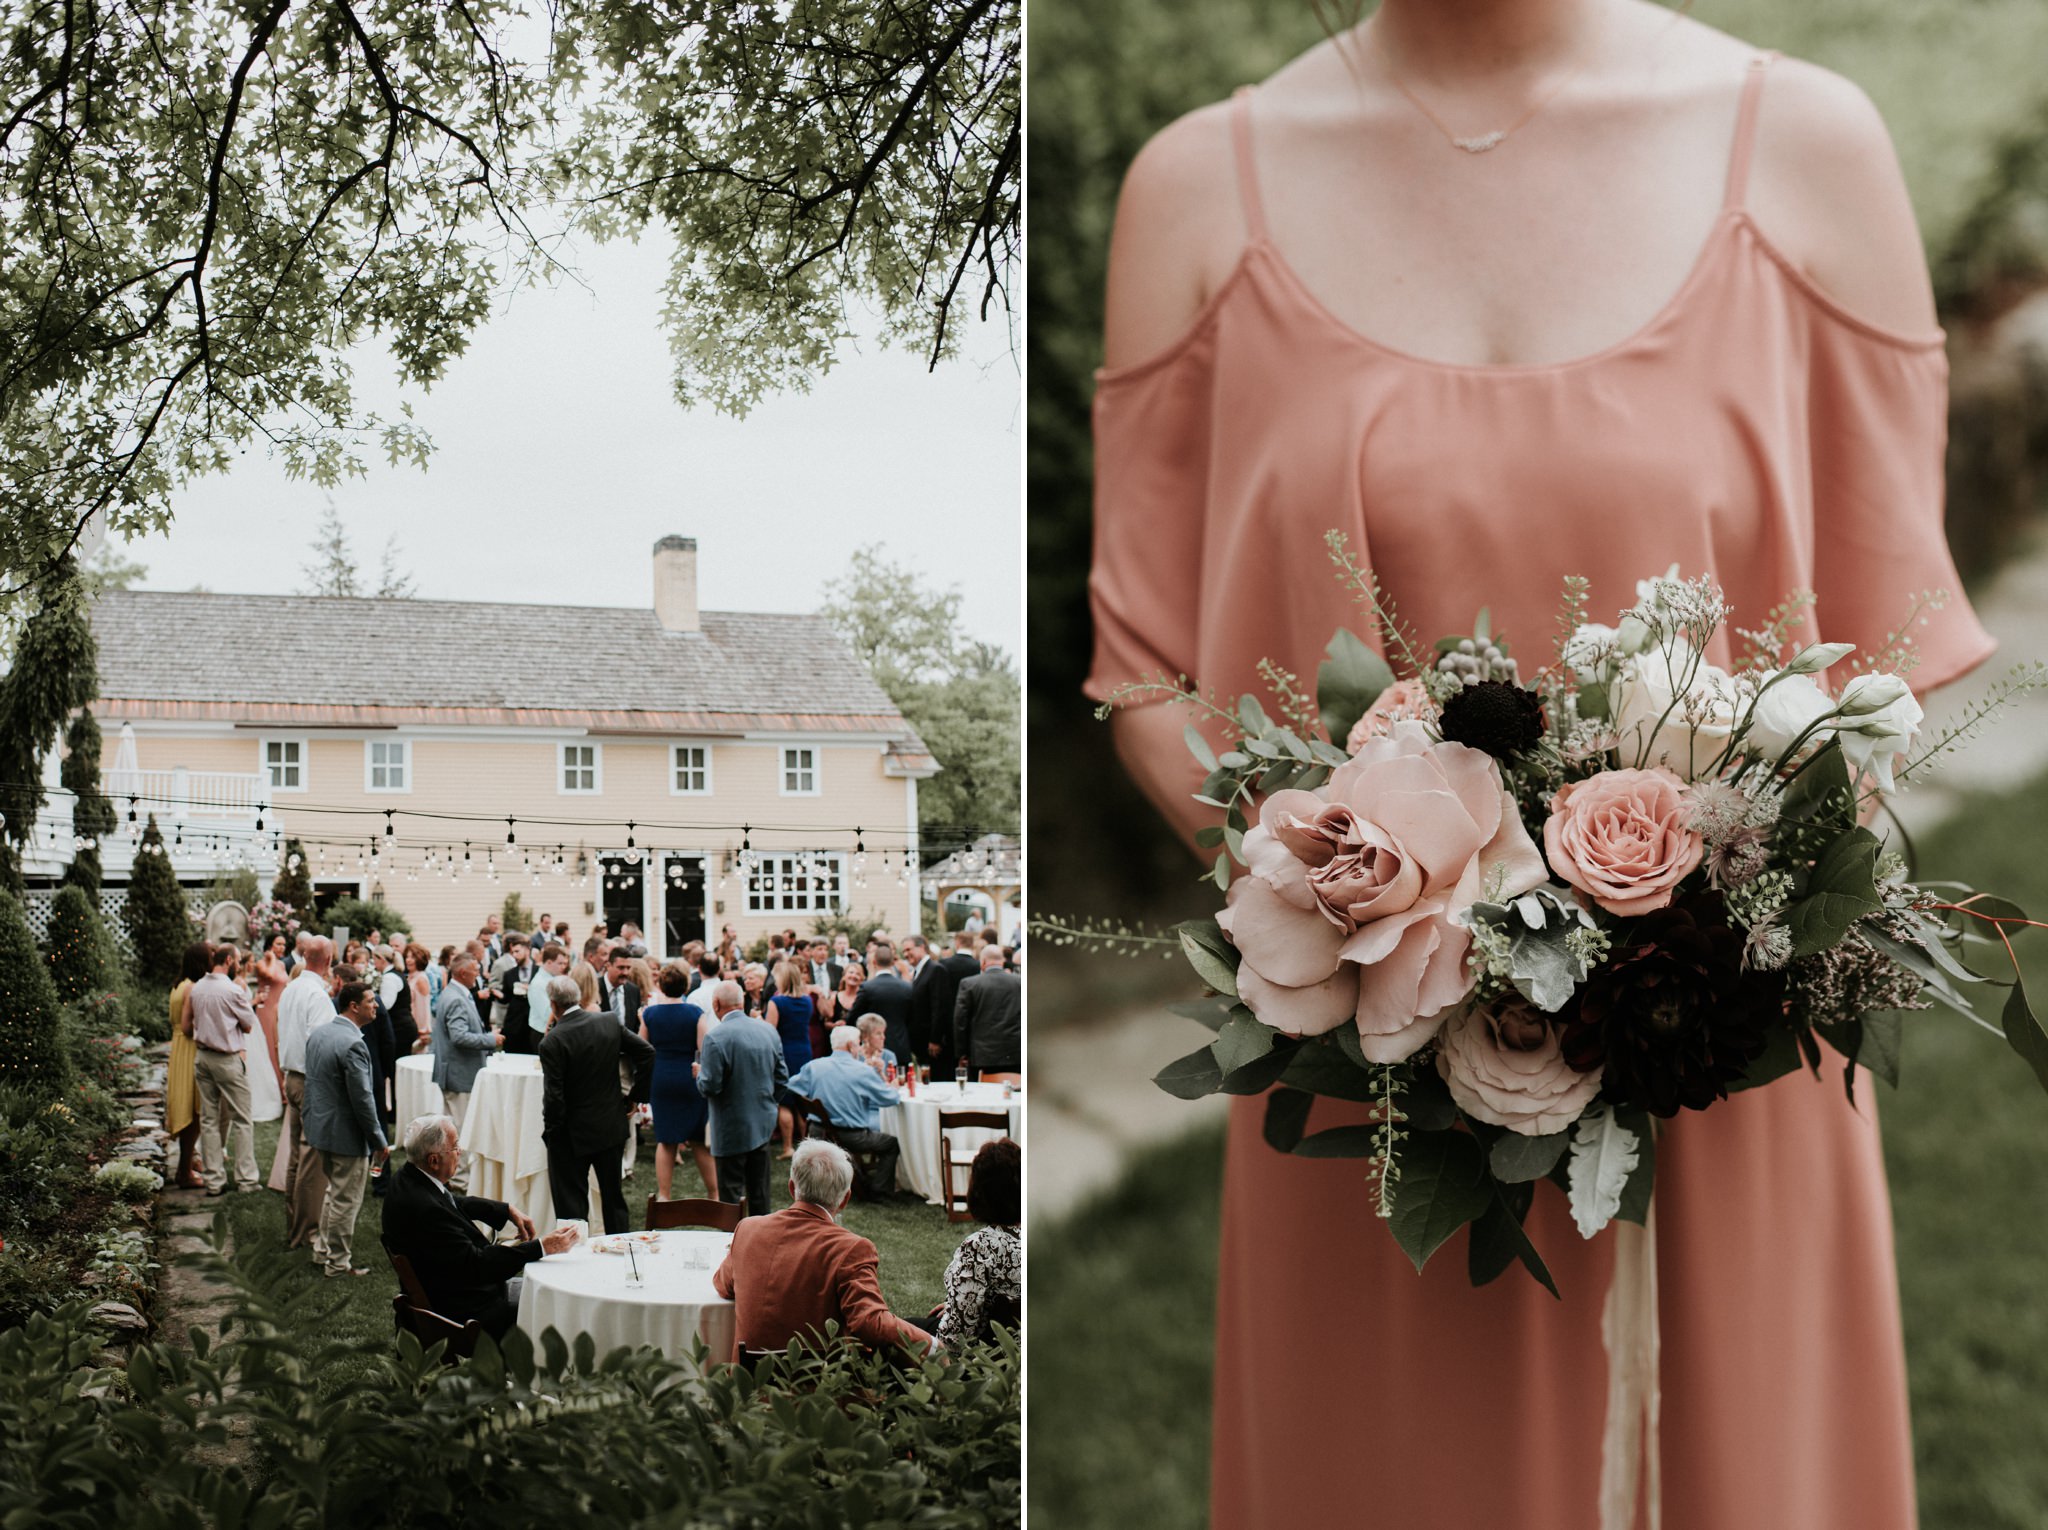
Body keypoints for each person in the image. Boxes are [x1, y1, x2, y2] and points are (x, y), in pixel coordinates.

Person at [1085, 8, 1997, 1524]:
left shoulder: (1812, 152)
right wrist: (1401, 944)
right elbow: (1151, 681)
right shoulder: (1193, 193)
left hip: (1722, 1067)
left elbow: (1882, 668)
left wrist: (1677, 935)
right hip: (1370, 1093)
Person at [711, 1139, 937, 1357]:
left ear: (792, 1187)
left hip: (747, 1385)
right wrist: (932, 1344)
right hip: (819, 1387)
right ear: (844, 1199)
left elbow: (722, 1285)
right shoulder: (852, 1248)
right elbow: (869, 1322)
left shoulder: (748, 1229)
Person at [381, 1114, 578, 1338]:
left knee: (546, 1293)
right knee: (553, 1305)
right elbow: (480, 1265)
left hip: (446, 1289)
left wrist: (504, 1210)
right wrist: (542, 1247)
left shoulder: (408, 1178)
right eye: (454, 1147)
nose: (460, 1151)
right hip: (465, 1309)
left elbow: (452, 1202)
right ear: (434, 1160)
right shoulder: (426, 1210)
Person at [536, 973, 654, 1234]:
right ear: (578, 998)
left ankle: (577, 1262)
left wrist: (552, 1133)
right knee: (614, 1200)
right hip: (609, 1126)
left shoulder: (552, 1041)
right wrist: (636, 1095)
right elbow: (646, 1052)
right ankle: (622, 1256)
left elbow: (554, 1097)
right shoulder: (608, 1021)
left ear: (553, 1004)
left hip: (570, 1135)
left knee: (571, 1208)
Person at [301, 980, 390, 1277]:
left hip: (319, 1128)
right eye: (370, 1001)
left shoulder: (320, 1034)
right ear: (354, 1006)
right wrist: (378, 1140)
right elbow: (363, 1100)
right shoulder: (353, 1044)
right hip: (345, 1135)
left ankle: (322, 1251)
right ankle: (338, 1264)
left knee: (333, 1193)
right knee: (345, 1200)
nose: (376, 1005)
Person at [695, 980, 787, 1220]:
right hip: (763, 1122)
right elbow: (782, 1078)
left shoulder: (715, 1038)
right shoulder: (768, 1030)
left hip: (730, 1125)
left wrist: (698, 1075)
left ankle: (733, 1246)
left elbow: (710, 1086)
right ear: (742, 1001)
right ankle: (760, 1243)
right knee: (760, 1194)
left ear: (716, 1004)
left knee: (730, 1195)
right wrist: (767, 1103)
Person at [787, 1026, 905, 1200]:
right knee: (890, 1144)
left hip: (817, 1131)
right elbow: (889, 1099)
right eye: (858, 1044)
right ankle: (880, 1191)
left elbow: (792, 1087)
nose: (859, 1049)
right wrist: (893, 1088)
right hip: (851, 1136)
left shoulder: (814, 1066)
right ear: (850, 1046)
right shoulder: (862, 1071)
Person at [924, 1138, 1020, 1347]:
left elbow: (953, 1340)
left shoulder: (980, 1247)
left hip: (984, 1359)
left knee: (899, 1331)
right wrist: (957, 1304)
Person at [185, 943, 261, 1195]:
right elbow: (249, 1025)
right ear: (228, 960)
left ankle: (214, 1182)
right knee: (242, 1118)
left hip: (202, 1058)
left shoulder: (197, 988)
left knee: (208, 1120)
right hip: (226, 1059)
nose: (239, 965)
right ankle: (247, 1180)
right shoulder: (232, 990)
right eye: (238, 960)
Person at [640, 963, 716, 1201]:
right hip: (688, 1077)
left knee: (666, 1139)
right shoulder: (695, 1013)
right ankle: (714, 1195)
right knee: (698, 1141)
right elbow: (705, 1049)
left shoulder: (650, 1014)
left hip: (661, 1077)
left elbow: (644, 1048)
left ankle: (664, 1195)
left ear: (661, 984)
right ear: (686, 985)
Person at [430, 955, 502, 1192]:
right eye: (475, 971)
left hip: (457, 1071)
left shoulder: (454, 993)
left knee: (454, 1130)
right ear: (462, 973)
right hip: (460, 1074)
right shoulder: (456, 998)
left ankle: (452, 1176)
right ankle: (461, 1180)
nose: (479, 975)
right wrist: (490, 1039)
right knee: (460, 1131)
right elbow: (459, 1036)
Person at [165, 941, 210, 1189]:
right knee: (192, 1113)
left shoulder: (177, 985)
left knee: (188, 1106)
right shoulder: (192, 988)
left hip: (178, 1048)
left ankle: (188, 1164)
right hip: (189, 1047)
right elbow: (188, 1027)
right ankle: (184, 1172)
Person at [767, 961, 817, 1157]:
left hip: (784, 1053)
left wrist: (758, 1019)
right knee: (802, 1101)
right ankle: (805, 1146)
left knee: (784, 1101)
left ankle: (788, 1147)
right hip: (804, 1051)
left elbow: (770, 1031)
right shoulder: (806, 1001)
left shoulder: (776, 1002)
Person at [953, 944, 1021, 1079]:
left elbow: (960, 1021)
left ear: (983, 962)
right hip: (1014, 1053)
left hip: (982, 1056)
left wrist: (962, 1053)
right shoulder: (1019, 982)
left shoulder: (969, 984)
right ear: (1002, 961)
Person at [852, 943, 914, 1064]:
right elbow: (913, 1019)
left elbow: (854, 1016)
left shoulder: (868, 987)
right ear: (893, 963)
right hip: (900, 1043)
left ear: (874, 962)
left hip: (872, 1047)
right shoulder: (907, 988)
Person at [491, 934, 541, 1055]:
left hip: (533, 1024)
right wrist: (498, 994)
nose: (514, 955)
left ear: (527, 950)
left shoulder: (539, 971)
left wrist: (530, 989)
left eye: (517, 951)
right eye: (512, 952)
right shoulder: (509, 974)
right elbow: (506, 998)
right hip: (514, 1025)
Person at [253, 935, 291, 1085]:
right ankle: (271, 1083)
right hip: (266, 1009)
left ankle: (282, 1082)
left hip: (279, 1009)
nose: (282, 947)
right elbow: (269, 974)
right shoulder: (261, 963)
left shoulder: (281, 965)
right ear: (270, 946)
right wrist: (272, 958)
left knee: (280, 1044)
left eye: (283, 944)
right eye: (278, 944)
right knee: (269, 1045)